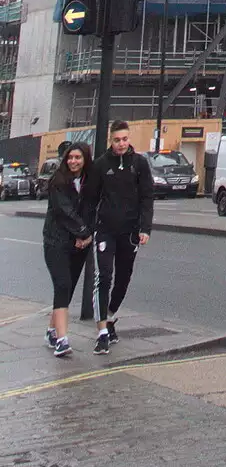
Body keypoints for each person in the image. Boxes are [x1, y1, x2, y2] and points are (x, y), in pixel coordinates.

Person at [86, 120, 153, 355]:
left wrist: (145, 228)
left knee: (123, 278)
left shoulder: (140, 164)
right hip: (105, 230)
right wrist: (88, 229)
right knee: (103, 277)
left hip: (130, 232)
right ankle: (102, 332)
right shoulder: (101, 165)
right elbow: (90, 199)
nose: (121, 144)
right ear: (110, 140)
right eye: (117, 140)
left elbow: (147, 197)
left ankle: (110, 315)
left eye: (125, 139)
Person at [42, 142, 93, 359]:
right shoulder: (58, 182)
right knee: (62, 284)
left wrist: (86, 236)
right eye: (70, 157)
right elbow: (65, 212)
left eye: (78, 158)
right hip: (56, 242)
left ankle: (51, 331)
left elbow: (92, 209)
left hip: (78, 244)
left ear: (85, 160)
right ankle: (62, 341)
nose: (73, 161)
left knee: (67, 289)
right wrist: (85, 233)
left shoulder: (89, 182)